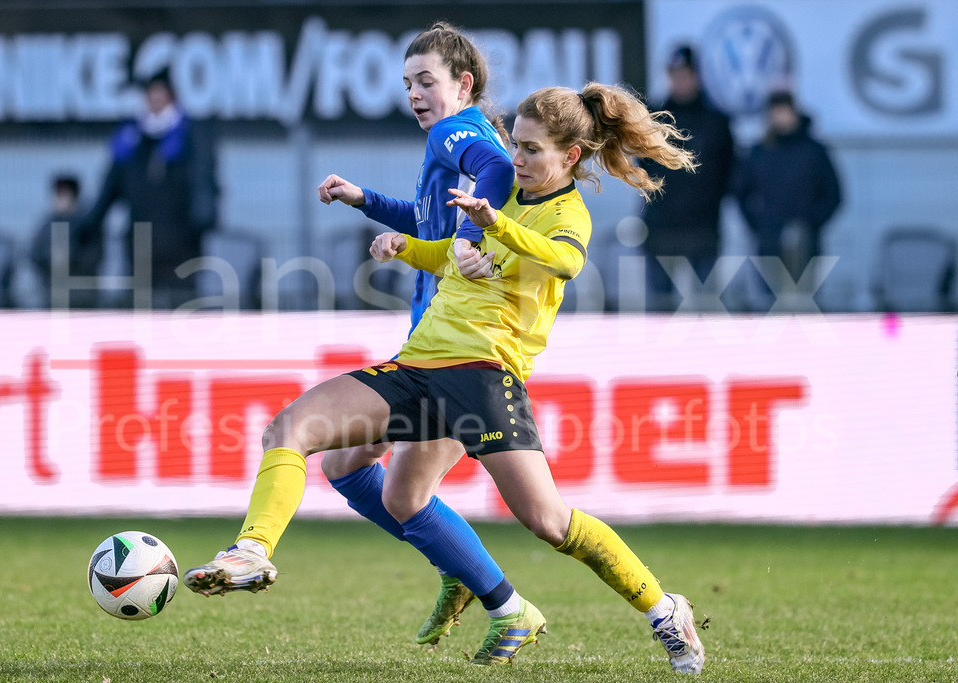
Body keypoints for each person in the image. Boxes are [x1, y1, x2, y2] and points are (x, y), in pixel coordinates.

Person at [185, 82, 706, 674]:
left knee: (549, 522)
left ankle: (664, 609)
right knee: (292, 430)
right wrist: (407, 247)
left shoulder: (567, 214)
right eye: (516, 145)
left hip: (484, 377)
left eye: (532, 149)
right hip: (419, 363)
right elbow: (452, 254)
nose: (517, 159)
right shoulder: (501, 191)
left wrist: (494, 224)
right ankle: (251, 550)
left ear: (571, 156)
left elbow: (564, 260)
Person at [311, 22, 519, 650]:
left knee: (401, 493)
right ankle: (462, 570)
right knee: (349, 465)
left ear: (464, 83)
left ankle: (502, 601)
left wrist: (473, 238)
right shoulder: (452, 141)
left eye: (426, 81)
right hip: (434, 347)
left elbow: (498, 170)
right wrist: (362, 199)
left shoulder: (455, 133)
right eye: (407, 84)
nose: (414, 94)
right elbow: (427, 220)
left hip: (456, 356)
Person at [80, 69, 219, 309]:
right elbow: (111, 186)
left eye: (160, 94)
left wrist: (202, 221)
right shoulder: (131, 137)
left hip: (180, 241)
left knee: (183, 306)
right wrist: (90, 223)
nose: (155, 100)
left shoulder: (191, 135)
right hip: (140, 241)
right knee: (140, 307)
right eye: (150, 94)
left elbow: (202, 182)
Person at [639, 45, 734, 311]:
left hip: (703, 227)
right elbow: (642, 168)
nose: (680, 81)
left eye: (685, 74)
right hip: (661, 227)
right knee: (660, 309)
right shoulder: (654, 118)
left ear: (697, 76)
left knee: (707, 307)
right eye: (675, 75)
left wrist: (708, 202)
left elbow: (728, 171)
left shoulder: (716, 122)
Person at [733, 89, 842, 309]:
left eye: (784, 112)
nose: (780, 118)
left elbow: (833, 194)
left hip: (807, 244)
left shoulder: (814, 151)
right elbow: (740, 192)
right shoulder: (760, 152)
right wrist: (758, 225)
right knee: (770, 305)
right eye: (776, 112)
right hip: (769, 242)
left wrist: (812, 223)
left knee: (805, 304)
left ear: (794, 112)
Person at [29, 174, 102, 308]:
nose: (60, 198)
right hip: (52, 294)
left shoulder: (87, 225)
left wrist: (67, 259)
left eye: (64, 194)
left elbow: (93, 258)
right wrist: (51, 261)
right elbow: (34, 255)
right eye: (58, 194)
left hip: (82, 297)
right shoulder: (46, 225)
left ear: (75, 196)